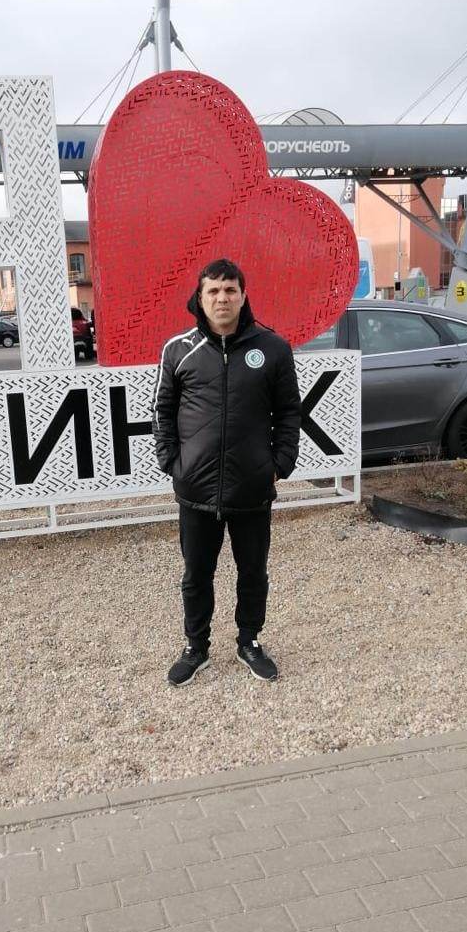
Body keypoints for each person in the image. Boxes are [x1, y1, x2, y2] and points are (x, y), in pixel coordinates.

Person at [152, 258, 302, 687]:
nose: (222, 298)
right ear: (200, 298)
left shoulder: (273, 349)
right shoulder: (178, 350)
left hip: (252, 487)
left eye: (230, 290)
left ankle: (249, 641)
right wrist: (173, 464)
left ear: (243, 295)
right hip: (196, 491)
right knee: (196, 575)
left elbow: (289, 413)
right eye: (214, 291)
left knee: (252, 572)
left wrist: (278, 466)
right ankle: (195, 647)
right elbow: (162, 412)